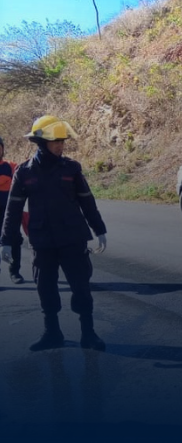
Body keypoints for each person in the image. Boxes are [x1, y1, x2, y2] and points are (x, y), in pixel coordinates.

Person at [1, 116, 108, 352]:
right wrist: (6, 241)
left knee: (81, 286)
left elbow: (87, 201)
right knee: (45, 288)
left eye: (62, 141)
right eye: (55, 141)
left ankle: (88, 334)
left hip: (73, 237)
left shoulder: (72, 168)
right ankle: (52, 333)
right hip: (42, 241)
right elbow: (14, 208)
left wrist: (99, 229)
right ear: (41, 143)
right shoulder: (24, 172)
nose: (60, 145)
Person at [0, 136, 24, 283]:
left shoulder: (11, 166)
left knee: (14, 240)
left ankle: (15, 272)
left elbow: (24, 183)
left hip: (9, 212)